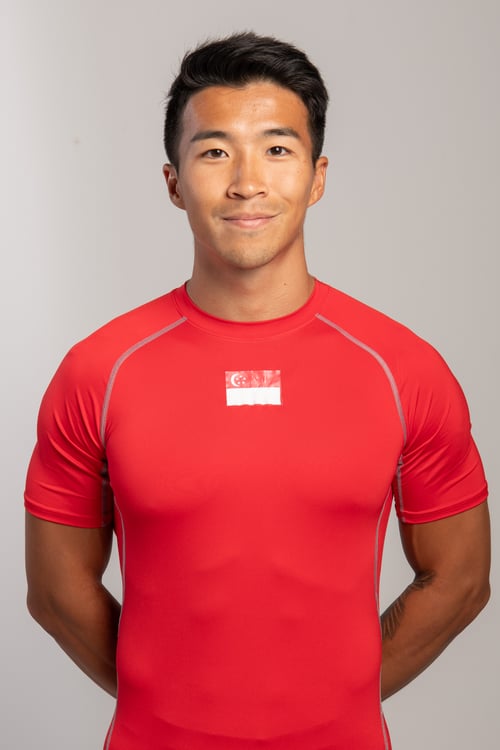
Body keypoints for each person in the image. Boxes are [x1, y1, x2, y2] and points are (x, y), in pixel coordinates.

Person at [25, 31, 490, 750]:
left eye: (277, 149)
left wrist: (331, 701)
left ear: (318, 176)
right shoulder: (99, 372)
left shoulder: (403, 370)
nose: (247, 182)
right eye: (215, 152)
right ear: (173, 181)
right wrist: (172, 700)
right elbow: (56, 595)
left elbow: (461, 580)